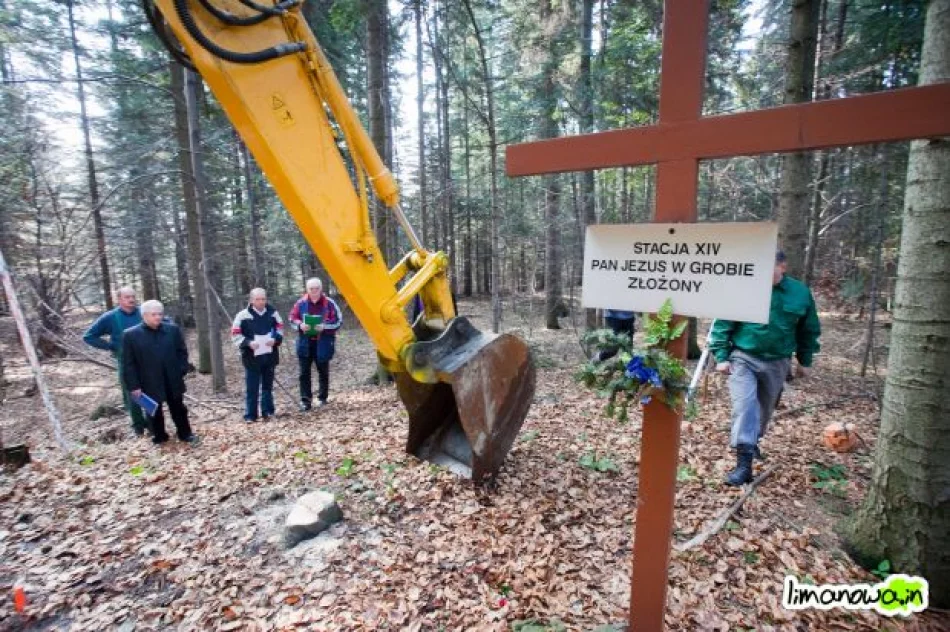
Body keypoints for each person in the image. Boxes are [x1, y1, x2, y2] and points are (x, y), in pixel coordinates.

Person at [709, 251, 821, 486]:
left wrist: (805, 359)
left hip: (778, 361)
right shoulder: (745, 287)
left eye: (768, 267)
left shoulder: (800, 293)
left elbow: (808, 329)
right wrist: (721, 355)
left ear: (782, 266)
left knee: (764, 409)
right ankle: (743, 463)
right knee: (744, 405)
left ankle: (752, 441)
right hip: (743, 356)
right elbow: (723, 322)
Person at [121, 300, 197, 445]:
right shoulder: (130, 335)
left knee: (179, 409)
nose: (157, 317)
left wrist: (181, 369)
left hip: (172, 378)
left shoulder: (172, 330)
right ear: (144, 315)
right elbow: (128, 364)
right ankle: (159, 436)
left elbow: (182, 352)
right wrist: (133, 385)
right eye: (153, 314)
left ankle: (185, 434)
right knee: (153, 411)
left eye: (160, 314)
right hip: (148, 380)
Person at [83, 287, 149, 436]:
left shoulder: (143, 313)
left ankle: (152, 423)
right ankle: (138, 426)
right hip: (126, 362)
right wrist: (110, 346)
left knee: (149, 392)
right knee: (132, 393)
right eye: (127, 297)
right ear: (119, 299)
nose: (131, 300)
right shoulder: (110, 317)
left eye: (133, 296)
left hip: (147, 360)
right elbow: (88, 336)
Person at [289, 277, 342, 411]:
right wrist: (300, 325)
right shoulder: (300, 303)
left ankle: (322, 398)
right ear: (307, 289)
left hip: (323, 343)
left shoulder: (329, 303)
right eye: (311, 289)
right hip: (305, 344)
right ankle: (305, 401)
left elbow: (338, 321)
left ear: (321, 288)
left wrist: (324, 327)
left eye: (316, 288)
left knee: (323, 371)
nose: (314, 291)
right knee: (304, 373)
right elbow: (291, 319)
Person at [231, 288, 284, 423]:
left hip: (269, 355)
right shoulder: (242, 315)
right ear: (251, 300)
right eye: (257, 299)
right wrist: (248, 343)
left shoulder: (273, 313)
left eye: (263, 299)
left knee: (267, 386)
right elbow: (235, 334)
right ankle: (251, 415)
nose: (261, 302)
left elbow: (280, 328)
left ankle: (268, 411)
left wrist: (276, 339)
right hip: (251, 357)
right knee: (252, 387)